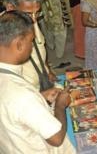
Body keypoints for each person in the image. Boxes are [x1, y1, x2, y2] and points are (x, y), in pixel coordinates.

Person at [0, 11, 75, 153]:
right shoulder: (21, 94)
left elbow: (12, 110)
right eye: (31, 41)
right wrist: (59, 105)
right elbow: (56, 138)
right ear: (19, 44)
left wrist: (40, 97)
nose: (32, 46)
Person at [5, 0, 57, 91]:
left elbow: (40, 46)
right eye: (28, 14)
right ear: (10, 8)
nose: (34, 20)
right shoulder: (3, 36)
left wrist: (47, 70)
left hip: (43, 84)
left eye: (37, 13)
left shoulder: (30, 21)